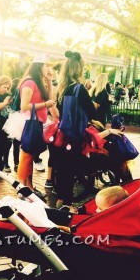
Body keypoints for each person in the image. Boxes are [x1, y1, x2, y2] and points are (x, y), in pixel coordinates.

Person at [54, 51, 96, 208]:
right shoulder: (79, 88)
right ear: (78, 69)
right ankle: (67, 201)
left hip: (62, 131)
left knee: (62, 166)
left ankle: (60, 198)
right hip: (76, 133)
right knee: (71, 167)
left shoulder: (62, 88)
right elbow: (92, 111)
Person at [16, 54, 57, 199]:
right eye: (47, 66)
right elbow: (24, 106)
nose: (49, 69)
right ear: (39, 66)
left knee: (30, 156)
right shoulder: (30, 83)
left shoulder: (39, 82)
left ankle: (29, 187)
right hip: (29, 123)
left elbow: (51, 99)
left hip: (36, 123)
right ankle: (22, 188)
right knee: (26, 157)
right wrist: (45, 105)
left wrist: (50, 81)